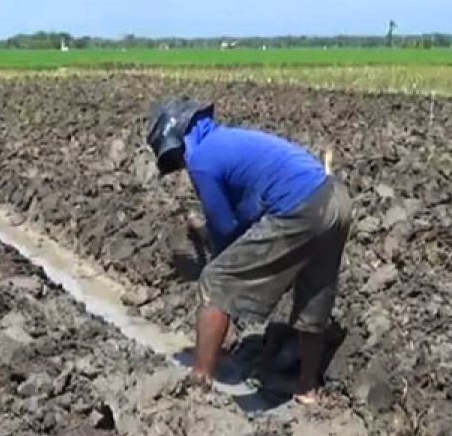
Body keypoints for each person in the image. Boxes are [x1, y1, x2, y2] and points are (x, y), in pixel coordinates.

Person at [146, 99, 352, 403]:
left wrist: (216, 258)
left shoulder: (202, 159)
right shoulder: (226, 140)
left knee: (215, 281)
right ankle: (307, 388)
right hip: (336, 199)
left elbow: (224, 230)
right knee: (314, 292)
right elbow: (248, 212)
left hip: (301, 206)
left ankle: (199, 381)